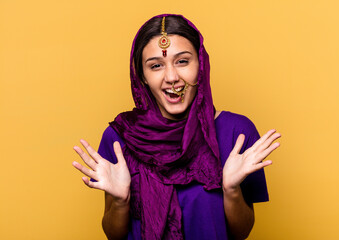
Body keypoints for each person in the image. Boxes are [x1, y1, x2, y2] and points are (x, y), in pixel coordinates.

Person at [72, 14, 281, 240]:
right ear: (141, 76)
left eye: (182, 61)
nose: (171, 77)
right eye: (156, 66)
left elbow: (241, 232)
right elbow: (114, 235)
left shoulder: (236, 133)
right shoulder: (119, 138)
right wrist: (122, 202)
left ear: (201, 65)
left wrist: (231, 190)